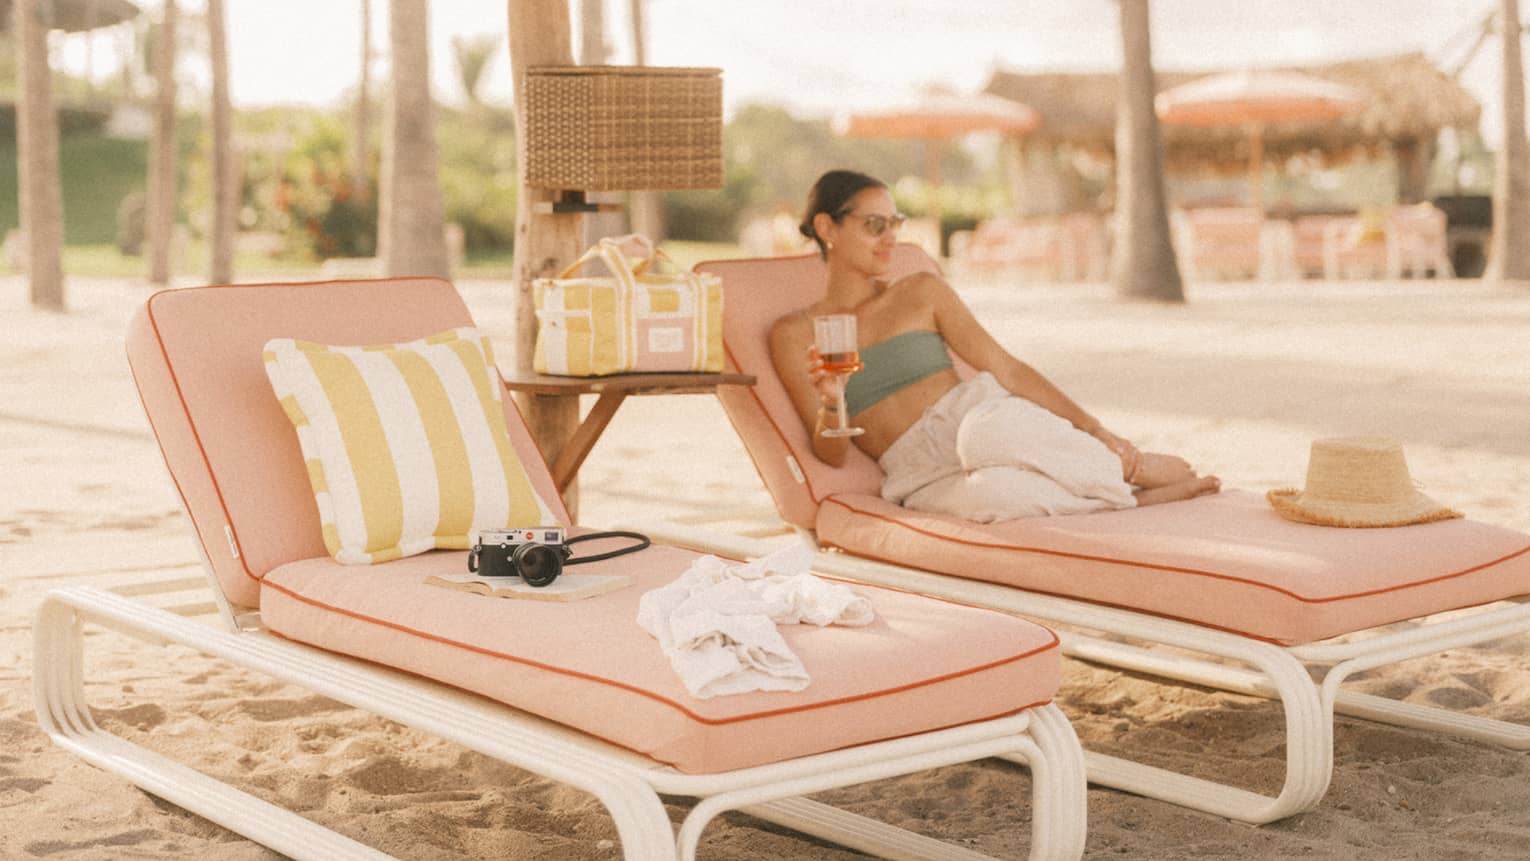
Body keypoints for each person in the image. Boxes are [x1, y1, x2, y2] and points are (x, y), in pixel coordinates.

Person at [769, 169, 1220, 523]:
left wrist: (1100, 432)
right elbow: (832, 453)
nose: (891, 238)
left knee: (984, 433)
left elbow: (1006, 369)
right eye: (874, 225)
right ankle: (1132, 503)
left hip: (978, 420)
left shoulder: (920, 292)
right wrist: (832, 402)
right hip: (917, 471)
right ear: (828, 226)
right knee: (994, 499)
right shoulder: (793, 335)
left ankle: (1128, 469)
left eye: (894, 224)